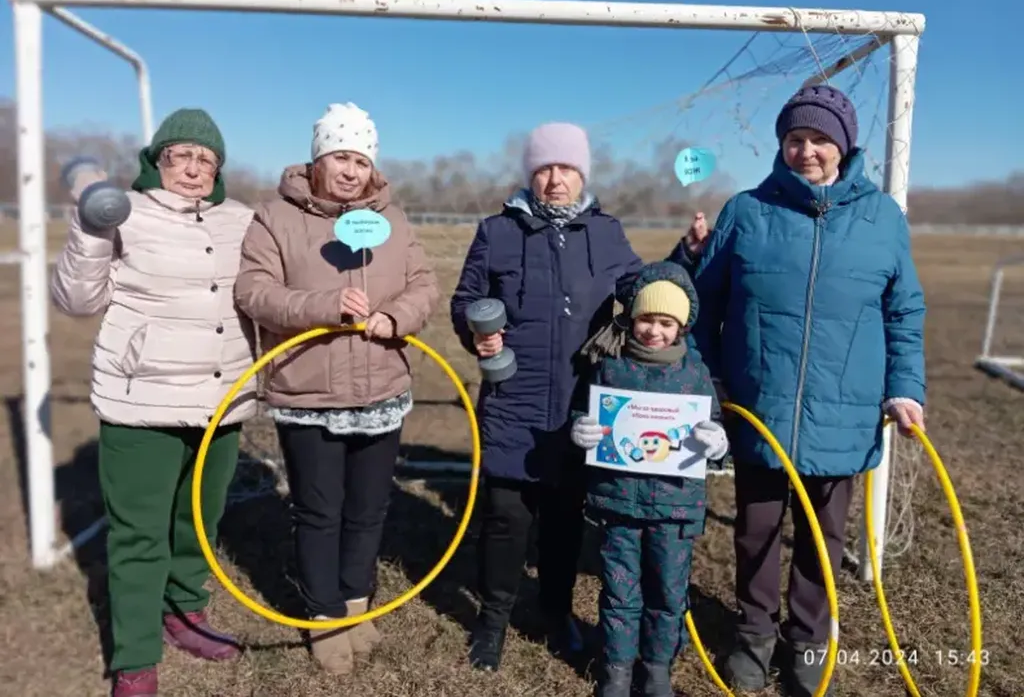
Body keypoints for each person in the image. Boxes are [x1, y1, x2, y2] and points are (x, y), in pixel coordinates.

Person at [668, 85, 926, 697]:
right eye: (795, 138)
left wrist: (904, 388)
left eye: (819, 139)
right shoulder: (747, 210)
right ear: (782, 144)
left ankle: (808, 639)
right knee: (755, 531)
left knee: (823, 539)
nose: (806, 150)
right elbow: (703, 306)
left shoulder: (882, 217)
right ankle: (753, 636)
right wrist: (710, 380)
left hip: (844, 410)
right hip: (761, 405)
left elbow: (904, 311)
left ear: (844, 146)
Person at [50, 109, 258, 697]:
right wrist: (91, 227)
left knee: (199, 522)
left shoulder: (241, 220)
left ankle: (184, 612)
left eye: (205, 159)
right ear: (156, 160)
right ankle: (136, 658)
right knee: (139, 535)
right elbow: (76, 301)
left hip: (222, 399)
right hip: (142, 399)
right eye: (180, 155)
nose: (193, 168)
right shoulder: (125, 211)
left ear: (218, 169)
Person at [233, 102, 440, 677]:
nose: (350, 171)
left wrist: (396, 317)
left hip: (381, 386)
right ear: (317, 160)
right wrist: (323, 307)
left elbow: (424, 285)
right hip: (309, 391)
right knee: (320, 510)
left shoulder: (392, 218)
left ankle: (355, 601)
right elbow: (253, 290)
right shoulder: (275, 217)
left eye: (360, 160)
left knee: (369, 508)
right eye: (339, 158)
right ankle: (324, 614)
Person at [450, 121, 643, 671]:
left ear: (583, 174)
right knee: (505, 518)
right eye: (544, 169)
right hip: (513, 399)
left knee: (564, 520)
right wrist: (476, 332)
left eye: (567, 169)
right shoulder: (497, 231)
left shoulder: (606, 232)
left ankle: (555, 614)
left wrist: (685, 258)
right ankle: (492, 621)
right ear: (530, 175)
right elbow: (466, 299)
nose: (555, 180)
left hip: (581, 404)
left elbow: (641, 288)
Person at [568, 260, 730, 697]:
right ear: (632, 317)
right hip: (617, 502)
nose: (654, 331)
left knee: (668, 592)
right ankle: (617, 669)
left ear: (681, 327)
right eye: (646, 319)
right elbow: (584, 409)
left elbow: (714, 423)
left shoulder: (694, 374)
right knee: (619, 591)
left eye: (665, 323)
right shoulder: (609, 365)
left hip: (674, 508)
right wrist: (581, 429)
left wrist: (717, 443)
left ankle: (657, 668)